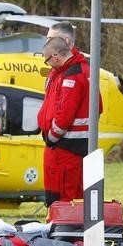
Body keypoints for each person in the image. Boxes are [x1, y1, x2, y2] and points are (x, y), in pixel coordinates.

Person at [37, 36, 95, 206]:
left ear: (55, 56)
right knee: (71, 196)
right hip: (69, 148)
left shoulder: (72, 76)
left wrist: (52, 137)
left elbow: (64, 115)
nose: (48, 65)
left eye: (47, 61)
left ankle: (61, 229)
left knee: (62, 198)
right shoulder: (71, 72)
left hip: (64, 147)